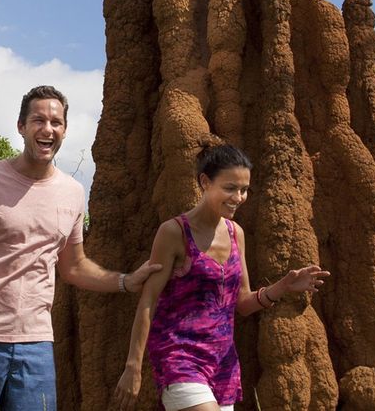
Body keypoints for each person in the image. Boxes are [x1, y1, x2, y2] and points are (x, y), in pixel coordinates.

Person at [0, 85, 165, 411]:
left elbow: (74, 266)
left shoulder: (72, 192)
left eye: (56, 122)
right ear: (21, 127)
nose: (47, 129)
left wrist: (126, 281)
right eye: (38, 120)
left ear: (65, 131)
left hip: (35, 346)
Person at [113, 145, 329, 411]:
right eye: (230, 188)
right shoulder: (174, 232)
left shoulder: (236, 233)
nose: (238, 197)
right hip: (179, 357)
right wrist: (132, 367)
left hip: (223, 363)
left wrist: (283, 286)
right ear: (205, 182)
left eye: (244, 189)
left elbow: (243, 303)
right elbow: (148, 302)